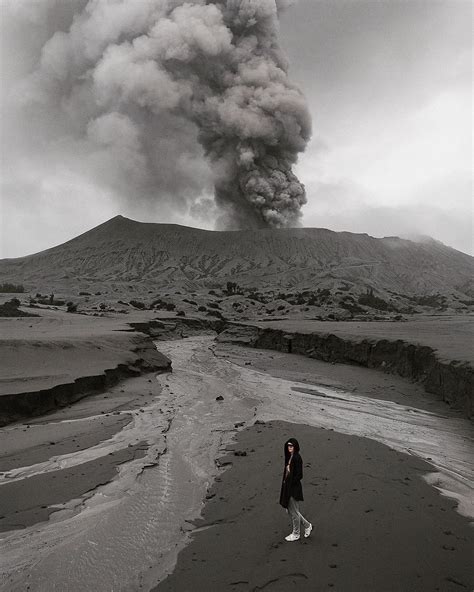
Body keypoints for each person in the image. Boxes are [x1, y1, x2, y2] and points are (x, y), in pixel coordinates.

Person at [279, 437, 312, 541]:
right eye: (288, 446)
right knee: (291, 510)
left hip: (293, 489)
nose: (289, 447)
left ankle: (296, 534)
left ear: (295, 446)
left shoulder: (297, 458)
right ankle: (307, 526)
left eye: (291, 446)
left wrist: (290, 483)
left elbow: (299, 475)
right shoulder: (290, 457)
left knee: (293, 512)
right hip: (288, 487)